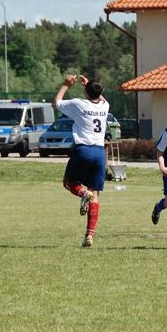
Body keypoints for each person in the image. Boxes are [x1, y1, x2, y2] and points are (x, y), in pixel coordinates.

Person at [53, 74, 109, 248]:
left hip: (83, 150)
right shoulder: (105, 106)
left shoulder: (79, 104)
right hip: (100, 153)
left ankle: (83, 193)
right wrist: (90, 87)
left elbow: (56, 103)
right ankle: (89, 235)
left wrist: (66, 85)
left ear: (86, 93)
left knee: (69, 183)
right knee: (95, 194)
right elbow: (100, 98)